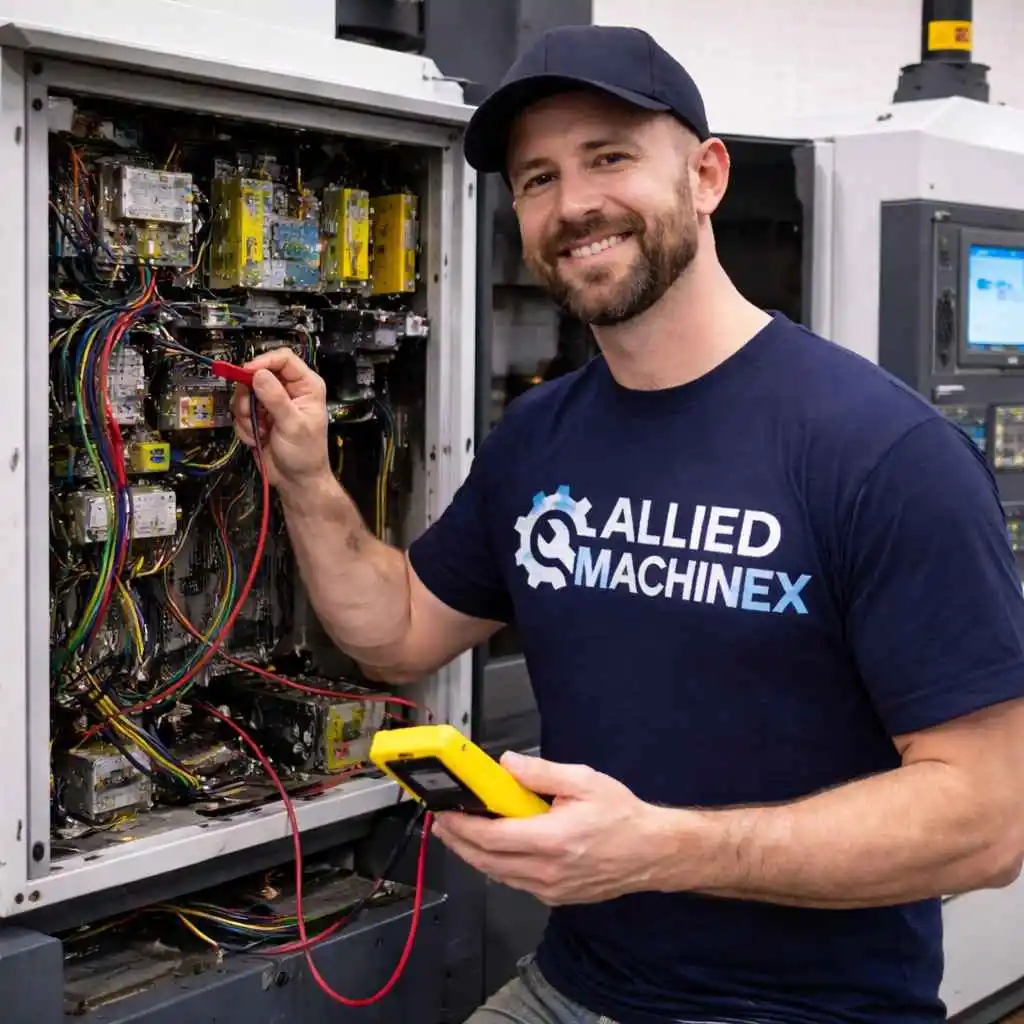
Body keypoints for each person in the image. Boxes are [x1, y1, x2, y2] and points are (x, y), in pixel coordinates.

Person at [231, 23, 1024, 1024]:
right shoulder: (539, 440)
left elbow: (986, 821)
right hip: (575, 988)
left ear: (706, 175)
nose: (574, 205)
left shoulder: (881, 451)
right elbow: (397, 627)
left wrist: (663, 845)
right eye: (536, 178)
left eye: (609, 157)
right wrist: (303, 476)